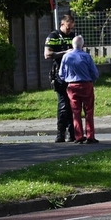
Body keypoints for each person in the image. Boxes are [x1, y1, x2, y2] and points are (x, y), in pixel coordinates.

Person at [59, 35, 100, 144]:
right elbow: (95, 73)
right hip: (86, 85)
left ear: (72, 45)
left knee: (75, 112)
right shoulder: (86, 56)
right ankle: (90, 136)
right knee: (89, 111)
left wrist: (68, 79)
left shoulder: (66, 57)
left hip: (72, 86)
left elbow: (61, 74)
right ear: (83, 45)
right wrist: (92, 79)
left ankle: (78, 136)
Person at [45, 12, 78, 142]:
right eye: (68, 28)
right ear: (62, 24)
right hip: (59, 74)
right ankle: (60, 134)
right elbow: (47, 55)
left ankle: (73, 133)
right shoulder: (53, 36)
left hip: (73, 75)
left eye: (72, 28)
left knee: (73, 104)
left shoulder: (73, 36)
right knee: (63, 104)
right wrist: (65, 52)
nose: (70, 30)